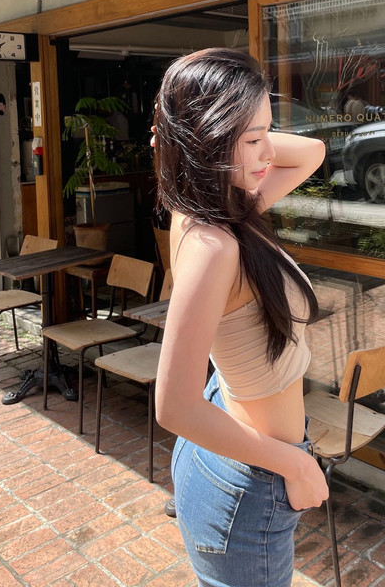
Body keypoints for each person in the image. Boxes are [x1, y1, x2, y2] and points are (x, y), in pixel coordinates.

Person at [152, 48, 329, 587]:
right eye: (253, 140)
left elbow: (313, 152)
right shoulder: (214, 243)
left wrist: (200, 132)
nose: (268, 153)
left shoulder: (222, 206)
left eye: (268, 132)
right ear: (208, 140)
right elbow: (173, 405)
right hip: (252, 482)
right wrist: (295, 464)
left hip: (236, 455)